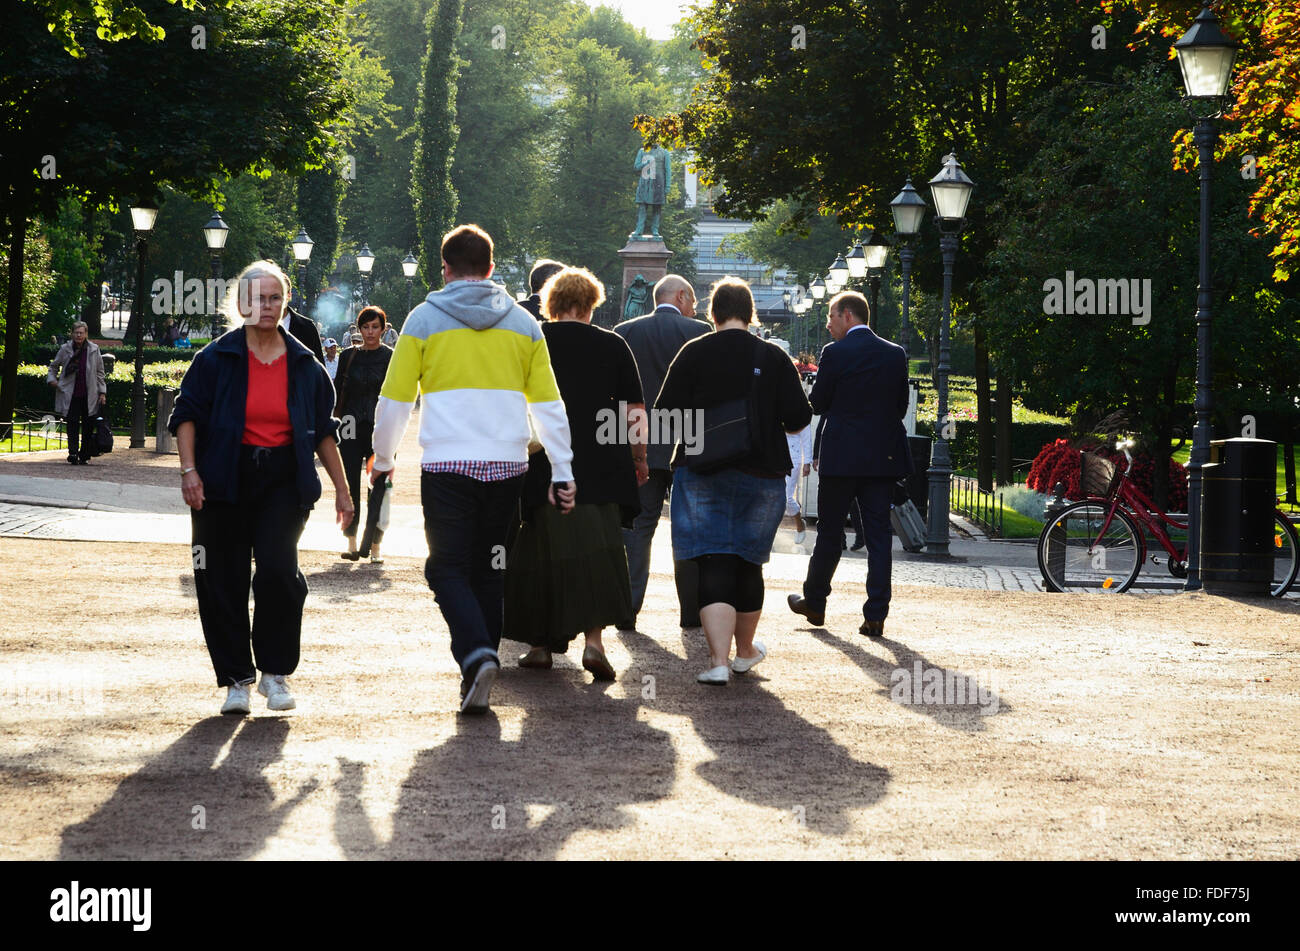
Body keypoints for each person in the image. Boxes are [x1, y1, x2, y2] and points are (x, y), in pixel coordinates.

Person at [369, 224, 575, 715]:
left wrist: (383, 458)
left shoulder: (422, 320)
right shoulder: (524, 325)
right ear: (490, 268)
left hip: (448, 463)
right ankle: (476, 668)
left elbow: (395, 401)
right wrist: (563, 469)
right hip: (508, 465)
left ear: (445, 269)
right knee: (490, 568)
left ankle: (476, 654)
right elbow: (550, 406)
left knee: (444, 567)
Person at [168, 260, 351, 716]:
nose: (265, 306)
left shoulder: (306, 366)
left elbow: (324, 432)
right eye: (255, 298)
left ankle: (275, 673)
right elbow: (185, 415)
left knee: (277, 571)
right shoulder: (213, 359)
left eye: (273, 298)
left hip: (283, 482)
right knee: (220, 578)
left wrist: (344, 492)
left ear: (284, 303)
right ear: (240, 303)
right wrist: (189, 471)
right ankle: (236, 680)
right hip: (222, 480)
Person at [656, 277, 812, 685]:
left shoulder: (694, 352)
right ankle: (745, 651)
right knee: (748, 562)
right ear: (750, 313)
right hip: (762, 472)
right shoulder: (773, 356)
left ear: (714, 313)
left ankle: (718, 661)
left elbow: (665, 414)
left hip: (702, 470)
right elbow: (798, 419)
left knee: (712, 559)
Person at [505, 267, 647, 680]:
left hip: (543, 461)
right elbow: (633, 413)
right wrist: (638, 458)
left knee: (539, 552)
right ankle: (594, 642)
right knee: (599, 550)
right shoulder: (613, 345)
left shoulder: (533, 342)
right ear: (590, 304)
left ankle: (539, 647)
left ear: (550, 303)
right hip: (602, 464)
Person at [788, 290, 911, 638]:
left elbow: (819, 402)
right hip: (880, 459)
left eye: (830, 317)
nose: (827, 325)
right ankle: (875, 615)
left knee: (829, 532)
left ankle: (815, 601)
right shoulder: (894, 354)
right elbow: (900, 406)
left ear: (847, 315)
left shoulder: (835, 353)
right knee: (878, 538)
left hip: (841, 457)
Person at [614, 274, 710, 633]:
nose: (695, 307)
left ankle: (628, 608)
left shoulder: (626, 331)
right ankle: (692, 614)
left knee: (638, 528)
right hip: (690, 443)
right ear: (681, 296)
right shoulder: (700, 331)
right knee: (690, 531)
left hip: (638, 442)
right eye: (693, 300)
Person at [334, 307, 394, 564]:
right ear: (359, 330)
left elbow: (398, 393)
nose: (370, 332)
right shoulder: (348, 356)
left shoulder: (392, 357)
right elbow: (338, 389)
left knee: (379, 486)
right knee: (349, 485)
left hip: (381, 428)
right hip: (350, 426)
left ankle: (375, 544)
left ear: (384, 328)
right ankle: (351, 541)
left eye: (375, 327)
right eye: (366, 327)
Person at [47, 321, 106, 465]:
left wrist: (102, 392)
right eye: (76, 332)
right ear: (72, 333)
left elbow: (100, 372)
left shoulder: (93, 349)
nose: (79, 335)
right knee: (72, 424)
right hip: (70, 393)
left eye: (81, 333)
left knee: (88, 425)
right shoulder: (65, 349)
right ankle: (73, 452)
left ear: (86, 334)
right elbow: (53, 367)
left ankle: (84, 454)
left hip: (89, 394)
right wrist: (52, 380)